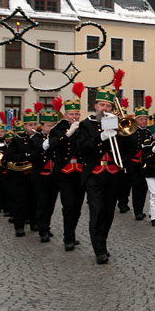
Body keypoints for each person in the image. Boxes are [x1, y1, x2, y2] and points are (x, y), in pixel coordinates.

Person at [75, 87, 138, 264]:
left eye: (109, 106)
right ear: (95, 105)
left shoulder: (117, 123)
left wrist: (121, 132)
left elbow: (132, 146)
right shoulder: (86, 124)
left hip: (113, 172)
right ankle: (99, 250)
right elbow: (82, 147)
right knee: (97, 211)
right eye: (102, 105)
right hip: (94, 174)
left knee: (109, 211)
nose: (105, 109)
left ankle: (102, 242)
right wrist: (101, 137)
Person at [48, 93, 85, 251]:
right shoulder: (58, 129)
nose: (74, 117)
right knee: (68, 204)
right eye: (71, 114)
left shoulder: (83, 128)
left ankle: (72, 232)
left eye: (77, 114)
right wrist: (68, 133)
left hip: (80, 171)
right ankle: (68, 237)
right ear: (65, 115)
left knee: (77, 206)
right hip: (64, 171)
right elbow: (53, 145)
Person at [30, 110, 61, 243]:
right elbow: (32, 157)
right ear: (41, 126)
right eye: (48, 125)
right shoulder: (35, 139)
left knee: (51, 204)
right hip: (40, 177)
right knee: (42, 203)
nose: (50, 128)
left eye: (53, 125)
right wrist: (42, 148)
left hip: (53, 176)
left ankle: (46, 227)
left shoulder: (58, 139)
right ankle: (42, 230)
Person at [3, 120, 36, 237]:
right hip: (21, 175)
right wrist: (24, 156)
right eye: (30, 125)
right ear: (24, 126)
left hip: (35, 174)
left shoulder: (38, 138)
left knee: (35, 200)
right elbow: (8, 156)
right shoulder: (17, 140)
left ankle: (34, 223)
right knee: (20, 201)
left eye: (34, 124)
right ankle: (19, 226)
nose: (33, 127)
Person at [124, 104, 152, 221]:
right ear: (136, 120)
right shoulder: (130, 131)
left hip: (145, 164)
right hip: (133, 163)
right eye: (141, 119)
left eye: (145, 119)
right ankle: (137, 211)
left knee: (144, 187)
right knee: (136, 186)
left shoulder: (149, 132)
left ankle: (140, 208)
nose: (144, 121)